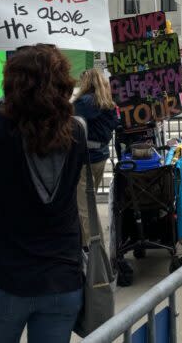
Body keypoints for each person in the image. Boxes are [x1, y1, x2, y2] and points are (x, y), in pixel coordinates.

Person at [0, 0, 86, 343]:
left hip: (9, 280)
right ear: (63, 82)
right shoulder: (78, 131)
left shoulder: (0, 130)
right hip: (63, 278)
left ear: (12, 85)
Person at [72, 67, 118, 245]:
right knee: (88, 202)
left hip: (85, 159)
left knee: (85, 206)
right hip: (101, 156)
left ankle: (93, 247)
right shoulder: (108, 103)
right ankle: (86, 242)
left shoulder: (82, 103)